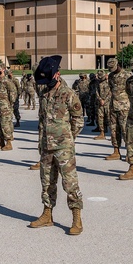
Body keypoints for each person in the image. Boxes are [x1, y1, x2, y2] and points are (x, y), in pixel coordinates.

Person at [28, 55, 84, 235]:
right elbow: (42, 122)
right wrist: (42, 142)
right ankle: (47, 214)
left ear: (57, 75)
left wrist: (67, 138)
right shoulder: (44, 95)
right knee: (46, 182)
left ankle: (76, 217)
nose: (45, 83)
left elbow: (78, 120)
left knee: (70, 183)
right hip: (46, 147)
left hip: (63, 148)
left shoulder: (69, 94)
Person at [105, 58, 130, 160]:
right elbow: (111, 89)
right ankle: (116, 151)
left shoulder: (127, 75)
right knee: (114, 130)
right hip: (113, 106)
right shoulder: (111, 76)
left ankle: (130, 152)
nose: (112, 70)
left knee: (125, 130)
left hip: (124, 107)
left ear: (118, 65)